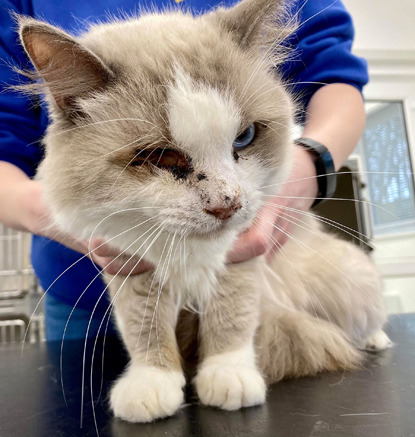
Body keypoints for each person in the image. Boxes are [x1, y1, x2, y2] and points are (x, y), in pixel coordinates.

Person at [0, 0, 368, 341]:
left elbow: (333, 75)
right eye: (160, 156)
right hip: (89, 298)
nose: (224, 199)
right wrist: (81, 222)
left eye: (243, 136)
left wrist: (307, 167)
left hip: (261, 278)